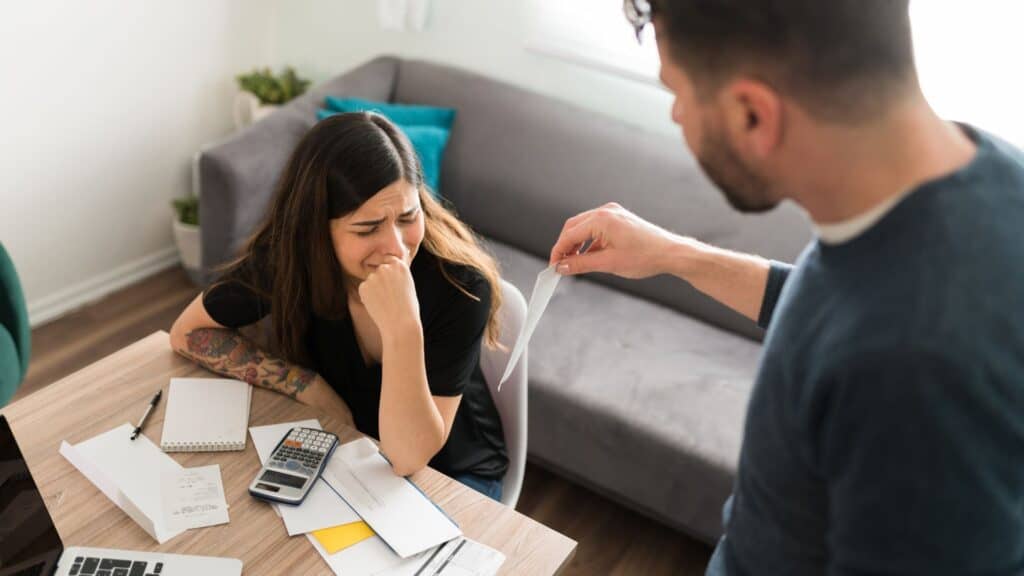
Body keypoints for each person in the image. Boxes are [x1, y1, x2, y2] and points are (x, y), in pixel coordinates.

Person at [550, 1, 1024, 574]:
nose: (676, 114)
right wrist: (675, 256)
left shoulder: (914, 368)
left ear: (753, 114)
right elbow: (840, 303)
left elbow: (873, 337)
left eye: (676, 92)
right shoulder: (982, 179)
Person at [169, 112, 508, 501]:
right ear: (315, 230)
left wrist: (402, 328)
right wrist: (307, 386)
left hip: (452, 473)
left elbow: (409, 457)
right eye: (368, 228)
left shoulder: (460, 287)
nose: (396, 248)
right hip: (350, 446)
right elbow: (188, 333)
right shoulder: (291, 259)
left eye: (408, 218)